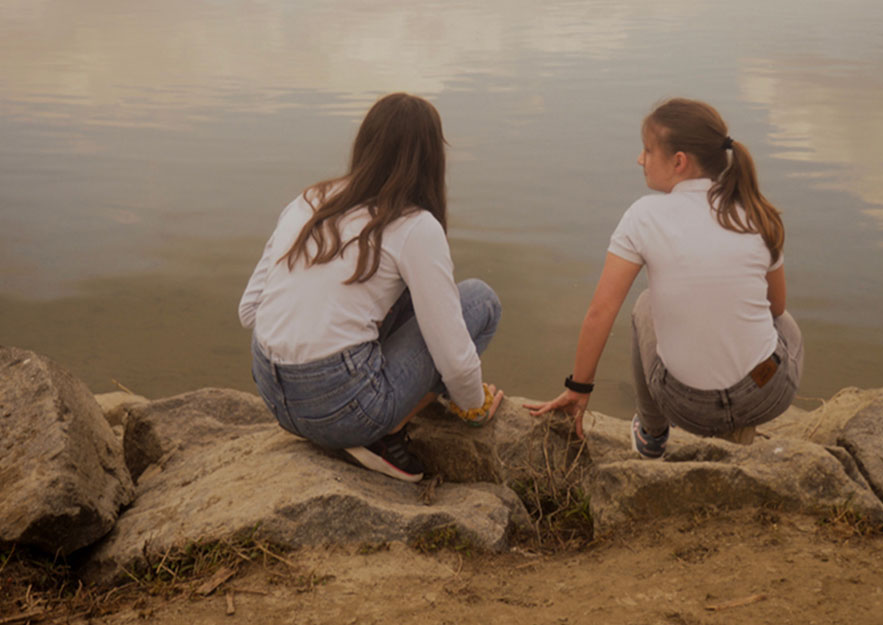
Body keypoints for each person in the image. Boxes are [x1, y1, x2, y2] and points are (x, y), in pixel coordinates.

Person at [239, 93, 503, 482]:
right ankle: (385, 435)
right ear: (432, 159)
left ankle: (356, 412)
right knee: (480, 300)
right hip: (345, 410)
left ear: (364, 145)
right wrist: (474, 405)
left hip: (273, 396)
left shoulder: (310, 200)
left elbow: (249, 311)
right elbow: (454, 357)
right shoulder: (415, 225)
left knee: (409, 293)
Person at [525, 98, 803, 455]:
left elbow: (601, 311)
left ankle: (653, 434)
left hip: (685, 406)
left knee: (644, 305)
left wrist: (579, 388)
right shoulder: (758, 212)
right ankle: (739, 414)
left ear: (679, 161)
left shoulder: (644, 216)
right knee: (787, 324)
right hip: (764, 396)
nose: (639, 159)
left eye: (646, 150)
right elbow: (775, 307)